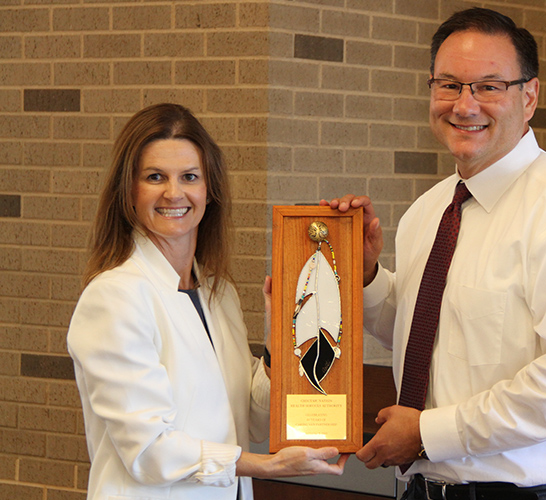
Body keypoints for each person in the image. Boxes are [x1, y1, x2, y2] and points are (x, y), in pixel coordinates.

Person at [326, 7, 546, 500]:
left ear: (528, 96)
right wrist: (365, 276)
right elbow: (424, 331)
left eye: (489, 87)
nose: (464, 105)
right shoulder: (430, 210)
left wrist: (429, 433)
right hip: (424, 489)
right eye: (448, 84)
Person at [67, 103, 347, 500]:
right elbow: (149, 452)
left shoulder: (219, 293)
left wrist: (277, 344)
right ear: (129, 190)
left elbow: (250, 426)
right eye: (154, 177)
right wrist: (266, 466)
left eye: (189, 177)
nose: (174, 192)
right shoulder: (114, 297)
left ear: (208, 189)